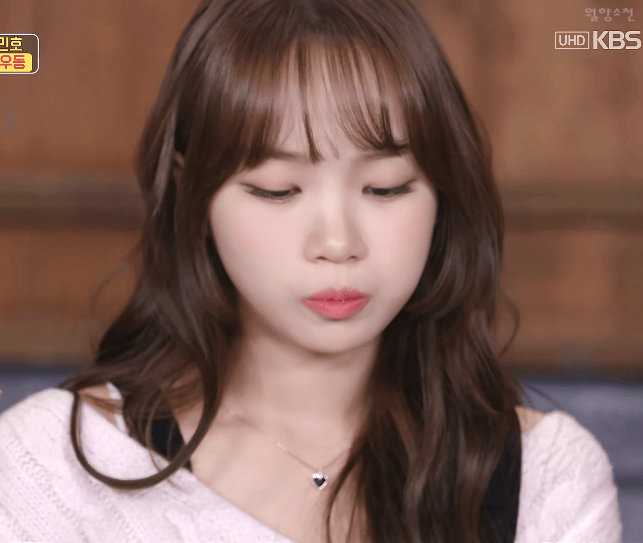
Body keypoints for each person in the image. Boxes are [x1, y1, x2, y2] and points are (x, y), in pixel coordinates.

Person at [0, 1, 623, 542]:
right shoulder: (51, 469)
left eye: (385, 188)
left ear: (443, 193)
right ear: (193, 197)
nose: (338, 244)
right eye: (277, 190)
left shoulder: (546, 478)